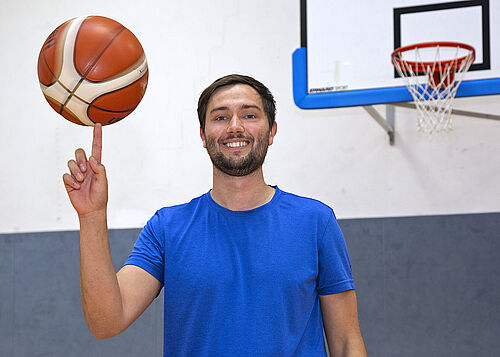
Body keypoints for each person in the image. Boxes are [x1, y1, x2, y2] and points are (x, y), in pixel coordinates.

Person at [63, 74, 367, 356]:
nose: (235, 126)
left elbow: (346, 341)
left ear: (271, 131)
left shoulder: (315, 222)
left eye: (249, 115)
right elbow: (106, 322)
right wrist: (91, 216)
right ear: (203, 135)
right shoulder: (167, 228)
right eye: (221, 117)